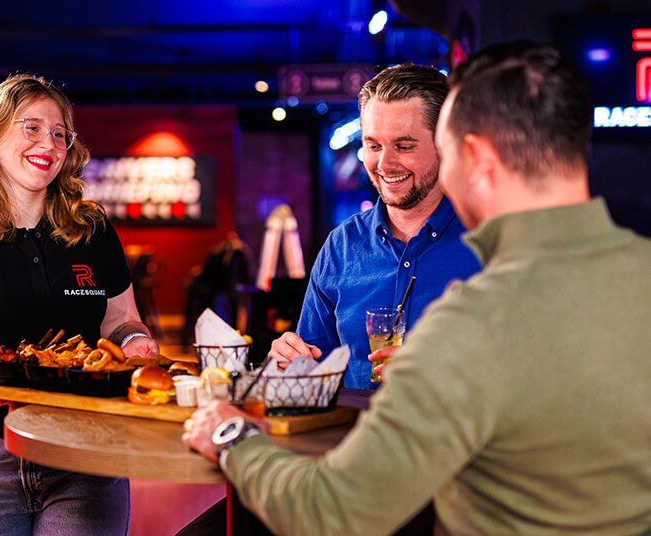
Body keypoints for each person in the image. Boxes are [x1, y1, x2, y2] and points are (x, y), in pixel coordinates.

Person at [182, 41, 651, 535]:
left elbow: (331, 512)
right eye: (374, 144)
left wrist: (231, 434)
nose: (386, 162)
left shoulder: (472, 322)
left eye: (418, 146)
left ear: (472, 157)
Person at [0, 74, 159, 535]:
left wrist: (135, 344)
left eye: (59, 133)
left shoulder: (93, 230)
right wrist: (65, 379)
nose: (48, 142)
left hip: (85, 447)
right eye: (30, 127)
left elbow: (122, 320)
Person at [269, 63, 481, 389]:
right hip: (354, 436)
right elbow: (312, 368)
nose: (384, 164)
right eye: (373, 145)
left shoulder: (490, 242)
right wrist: (289, 362)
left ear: (445, 144)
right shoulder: (341, 245)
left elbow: (533, 375)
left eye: (404, 146)